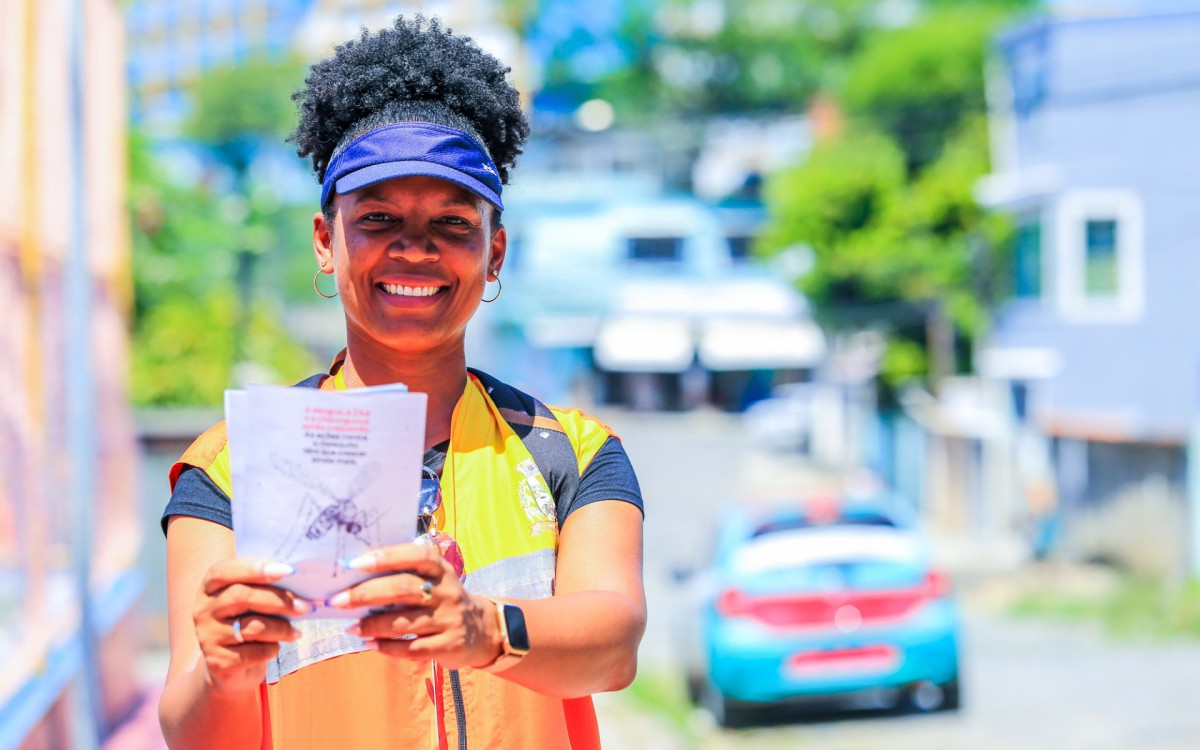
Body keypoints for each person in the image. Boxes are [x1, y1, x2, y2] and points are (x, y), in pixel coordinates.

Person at [157, 17, 646, 750]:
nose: (414, 249)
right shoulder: (232, 466)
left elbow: (615, 644)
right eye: (379, 218)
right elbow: (190, 731)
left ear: (494, 252)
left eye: (453, 223)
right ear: (326, 242)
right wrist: (223, 674)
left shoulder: (571, 453)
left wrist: (485, 627)